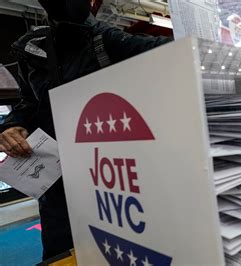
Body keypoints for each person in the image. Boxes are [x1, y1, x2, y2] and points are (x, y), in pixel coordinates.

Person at [0, 0, 171, 260]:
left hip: (109, 178)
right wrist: (13, 124)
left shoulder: (108, 41)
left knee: (114, 250)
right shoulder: (31, 50)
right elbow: (29, 102)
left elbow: (182, 57)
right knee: (60, 254)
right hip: (56, 183)